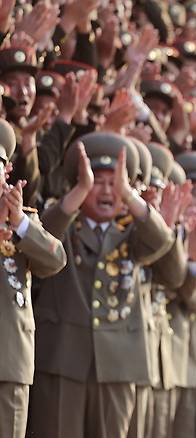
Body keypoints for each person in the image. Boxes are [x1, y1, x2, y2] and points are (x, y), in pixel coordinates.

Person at [28, 133, 174, 438]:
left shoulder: (133, 231)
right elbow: (41, 239)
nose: (107, 190)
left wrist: (129, 195)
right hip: (63, 360)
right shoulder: (65, 222)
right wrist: (79, 191)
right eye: (97, 181)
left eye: (115, 182)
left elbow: (162, 242)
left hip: (118, 365)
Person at [0, 118, 67, 438]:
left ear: (7, 174)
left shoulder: (25, 221)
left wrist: (18, 225)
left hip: (11, 365)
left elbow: (55, 260)